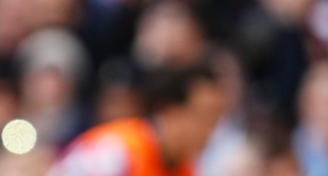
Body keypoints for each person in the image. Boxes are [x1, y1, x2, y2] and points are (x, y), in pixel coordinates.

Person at [49, 63, 227, 176]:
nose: (211, 129)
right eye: (206, 116)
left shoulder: (186, 169)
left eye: (217, 118)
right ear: (170, 111)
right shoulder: (115, 151)